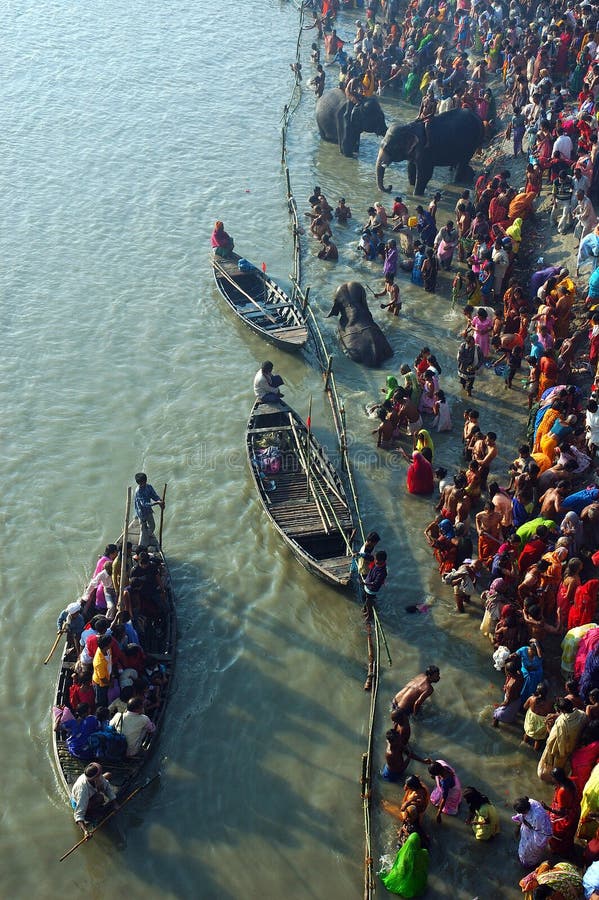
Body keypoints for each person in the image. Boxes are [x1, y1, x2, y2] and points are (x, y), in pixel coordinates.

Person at [70, 762, 118, 837]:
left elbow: (107, 787)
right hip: (78, 801)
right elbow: (78, 814)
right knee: (99, 798)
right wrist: (85, 831)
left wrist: (114, 803)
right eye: (99, 775)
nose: (100, 776)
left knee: (108, 775)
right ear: (95, 778)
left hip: (93, 791)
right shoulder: (82, 790)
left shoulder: (98, 778)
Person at [543, 767, 581, 856]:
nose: (552, 779)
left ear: (556, 779)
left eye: (553, 777)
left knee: (555, 832)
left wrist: (547, 808)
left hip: (565, 816)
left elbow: (561, 812)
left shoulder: (562, 792)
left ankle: (558, 850)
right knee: (568, 835)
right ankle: (567, 848)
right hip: (575, 811)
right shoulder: (572, 780)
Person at [512, 796, 552, 868]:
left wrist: (524, 823)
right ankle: (525, 859)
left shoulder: (537, 816)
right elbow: (522, 817)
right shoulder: (530, 801)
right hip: (530, 829)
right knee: (524, 846)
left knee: (530, 850)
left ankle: (530, 863)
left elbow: (534, 828)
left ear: (525, 810)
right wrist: (519, 826)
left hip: (539, 834)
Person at [134, 473, 164, 550]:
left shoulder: (149, 487)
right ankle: (142, 547)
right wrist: (157, 503)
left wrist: (159, 500)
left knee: (152, 526)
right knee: (143, 531)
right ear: (139, 483)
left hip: (148, 511)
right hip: (142, 513)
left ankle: (148, 536)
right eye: (142, 483)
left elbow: (154, 495)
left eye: (145, 482)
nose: (144, 484)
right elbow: (144, 504)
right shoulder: (138, 492)